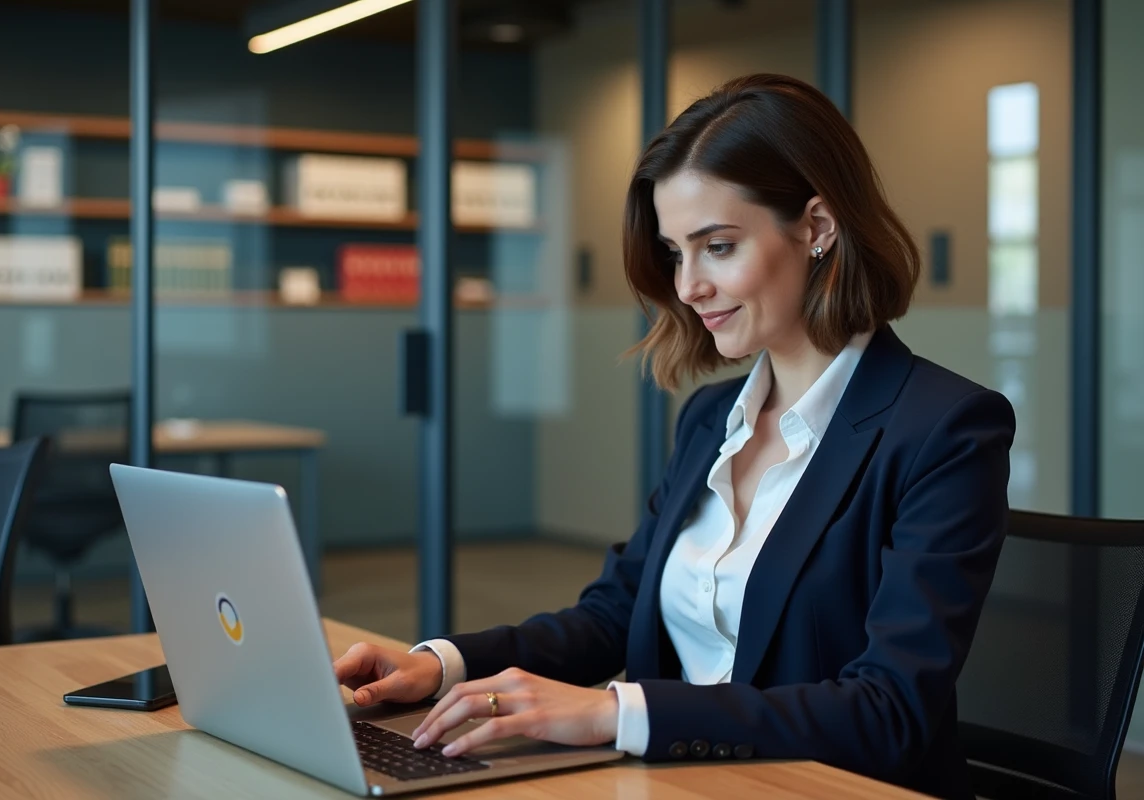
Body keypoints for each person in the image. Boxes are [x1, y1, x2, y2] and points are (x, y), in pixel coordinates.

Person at [333, 73, 1014, 800]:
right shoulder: (710, 419)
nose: (688, 287)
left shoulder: (946, 429)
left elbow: (889, 712)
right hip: (678, 780)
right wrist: (441, 665)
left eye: (717, 246)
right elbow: (615, 614)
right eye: (675, 254)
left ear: (817, 227)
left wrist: (616, 712)